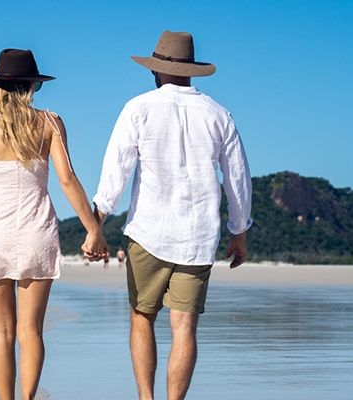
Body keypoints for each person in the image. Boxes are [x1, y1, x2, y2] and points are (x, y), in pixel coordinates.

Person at [92, 31, 253, 400]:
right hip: (198, 237)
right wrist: (239, 231)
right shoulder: (218, 114)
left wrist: (96, 222)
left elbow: (116, 170)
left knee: (141, 317)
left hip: (149, 232)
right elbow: (238, 179)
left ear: (156, 70)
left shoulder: (138, 107)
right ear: (192, 71)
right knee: (184, 328)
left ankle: (146, 398)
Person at [0, 48, 109, 400]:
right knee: (31, 330)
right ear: (32, 85)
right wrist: (93, 228)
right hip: (38, 228)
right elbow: (67, 179)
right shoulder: (50, 122)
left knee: (1, 331)